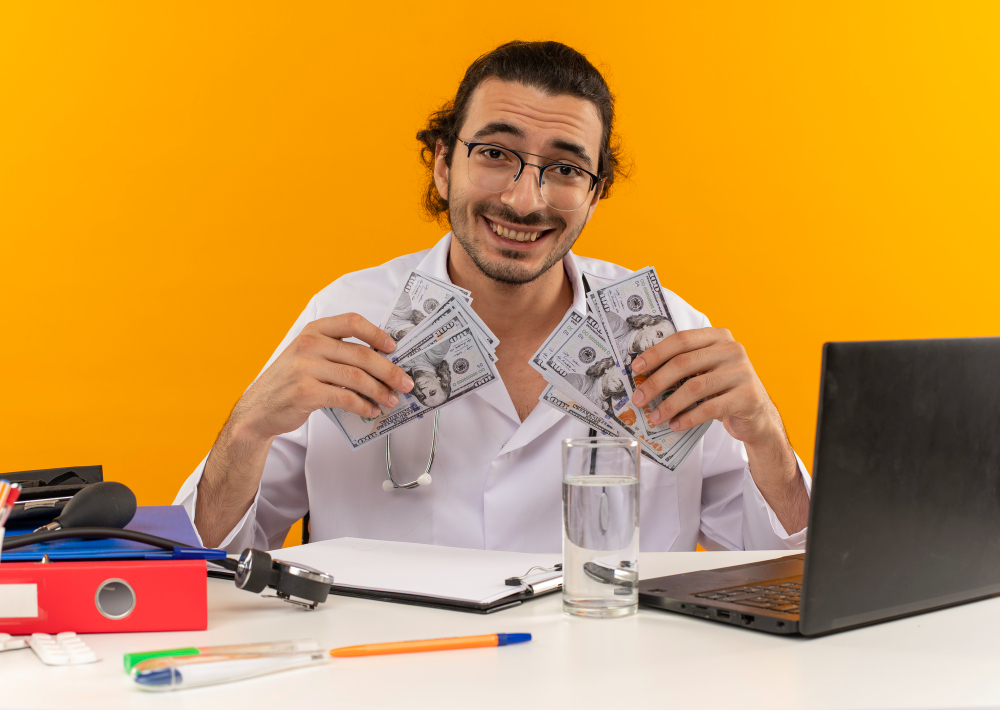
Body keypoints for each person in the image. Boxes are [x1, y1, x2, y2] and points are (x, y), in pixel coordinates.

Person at [175, 40, 811, 553]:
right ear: (443, 163)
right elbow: (203, 559)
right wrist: (247, 428)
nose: (523, 199)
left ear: (595, 192)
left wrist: (766, 441)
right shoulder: (346, 319)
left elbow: (786, 571)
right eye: (496, 153)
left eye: (565, 168)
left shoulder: (670, 335)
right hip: (394, 673)